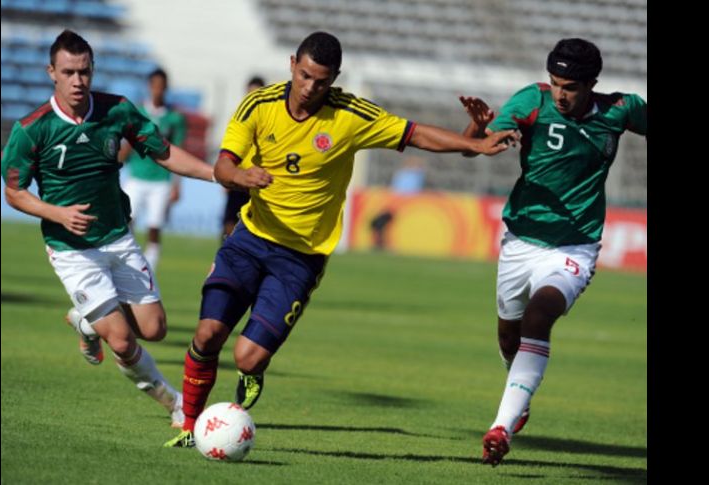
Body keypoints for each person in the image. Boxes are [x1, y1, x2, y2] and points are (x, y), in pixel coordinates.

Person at [164, 31, 516, 448]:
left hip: (301, 257)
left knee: (247, 356)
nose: (311, 88)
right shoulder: (259, 104)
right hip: (250, 238)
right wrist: (242, 176)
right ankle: (188, 425)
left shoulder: (349, 113)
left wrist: (471, 140)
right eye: (306, 75)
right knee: (207, 335)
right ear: (292, 64)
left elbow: (414, 134)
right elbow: (223, 166)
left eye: (322, 81)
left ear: (335, 79)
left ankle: (252, 373)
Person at [0, 30, 215, 429]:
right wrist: (56, 214)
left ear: (93, 70)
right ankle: (176, 405)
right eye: (68, 72)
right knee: (121, 339)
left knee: (155, 329)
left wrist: (218, 174)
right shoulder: (32, 129)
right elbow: (14, 192)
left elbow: (164, 153)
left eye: (84, 71)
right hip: (71, 250)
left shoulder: (117, 110)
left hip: (118, 237)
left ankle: (86, 321)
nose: (78, 80)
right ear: (52, 72)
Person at [458, 38, 647, 466]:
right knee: (509, 336)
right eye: (556, 83)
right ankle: (518, 398)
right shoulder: (533, 100)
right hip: (520, 242)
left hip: (574, 247)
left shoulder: (621, 110)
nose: (561, 94)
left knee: (539, 316)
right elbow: (479, 146)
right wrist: (479, 130)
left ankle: (500, 428)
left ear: (591, 84)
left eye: (571, 87)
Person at [118, 68, 187, 271]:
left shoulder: (175, 118)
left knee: (154, 227)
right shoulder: (138, 112)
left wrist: (177, 185)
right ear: (149, 87)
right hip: (137, 177)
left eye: (161, 86)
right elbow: (127, 145)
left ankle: (150, 271)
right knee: (126, 222)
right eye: (154, 85)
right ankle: (127, 264)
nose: (158, 90)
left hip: (160, 180)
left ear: (166, 88)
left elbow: (178, 152)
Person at [220, 76, 265, 240]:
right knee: (229, 225)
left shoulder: (269, 121)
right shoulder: (239, 118)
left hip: (256, 183)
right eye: (249, 94)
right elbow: (226, 147)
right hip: (237, 179)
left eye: (256, 94)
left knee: (253, 231)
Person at [369, 155, 426, 250]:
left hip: (403, 202)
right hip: (396, 202)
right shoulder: (401, 174)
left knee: (382, 223)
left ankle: (383, 243)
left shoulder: (417, 175)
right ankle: (380, 243)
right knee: (379, 224)